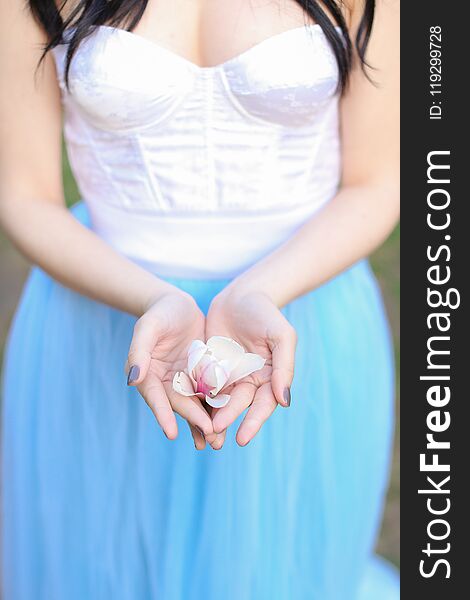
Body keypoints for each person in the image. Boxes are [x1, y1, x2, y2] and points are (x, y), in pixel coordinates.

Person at [0, 0, 400, 598]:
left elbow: (380, 181)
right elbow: (23, 195)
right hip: (102, 327)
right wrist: (150, 297)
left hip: (301, 321)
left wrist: (265, 287)